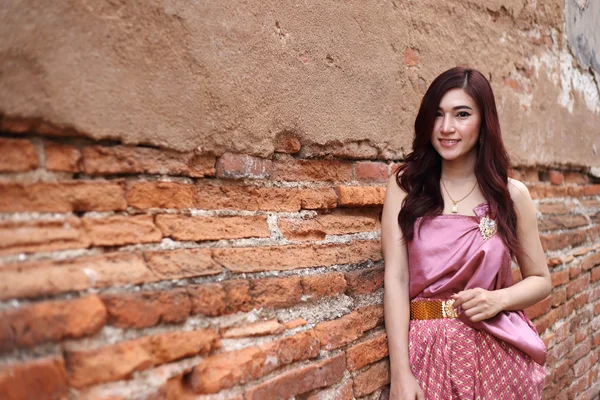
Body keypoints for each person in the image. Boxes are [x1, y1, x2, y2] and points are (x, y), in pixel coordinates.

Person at [381, 67, 551, 399]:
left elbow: (541, 279)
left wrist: (498, 298)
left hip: (497, 353)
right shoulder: (405, 188)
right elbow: (397, 279)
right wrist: (401, 372)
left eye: (461, 115)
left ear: (484, 123)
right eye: (438, 115)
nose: (446, 128)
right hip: (427, 352)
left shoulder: (511, 196)